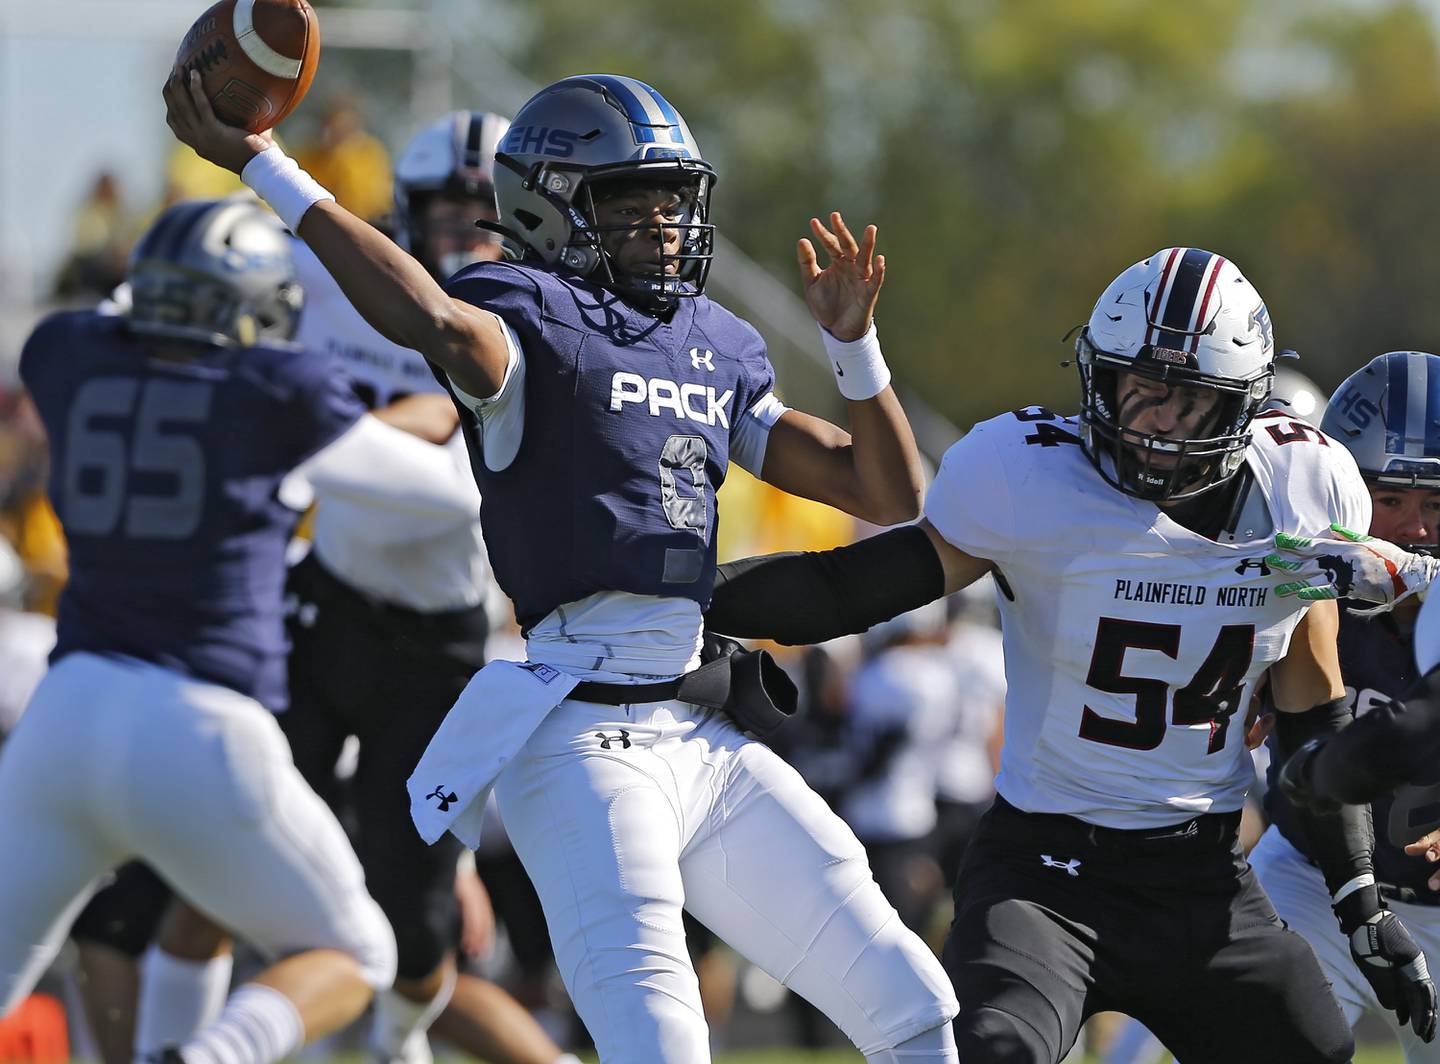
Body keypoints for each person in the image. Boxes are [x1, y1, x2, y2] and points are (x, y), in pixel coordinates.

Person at [164, 69, 960, 1063]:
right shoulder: (523, 308)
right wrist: (266, 166)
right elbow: (431, 317)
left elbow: (885, 491)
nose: (666, 225)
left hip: (702, 728)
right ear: (550, 205)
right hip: (580, 736)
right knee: (658, 1042)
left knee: (913, 996)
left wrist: (856, 349)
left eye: (674, 200)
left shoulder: (716, 343)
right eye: (633, 201)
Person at [702, 247, 1439, 1062]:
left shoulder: (1305, 486)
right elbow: (855, 588)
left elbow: (1312, 715)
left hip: (1204, 880)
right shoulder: (1033, 475)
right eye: (1139, 386)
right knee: (996, 1052)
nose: (1154, 417)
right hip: (1042, 875)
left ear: (1242, 405)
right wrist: (676, 591)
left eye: (1187, 400)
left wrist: (1360, 898)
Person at [0, 198, 398, 1064]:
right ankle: (210, 1058)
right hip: (200, 728)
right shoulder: (276, 391)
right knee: (359, 952)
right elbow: (426, 485)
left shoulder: (67, 353)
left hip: (63, 716)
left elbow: (112, 331)